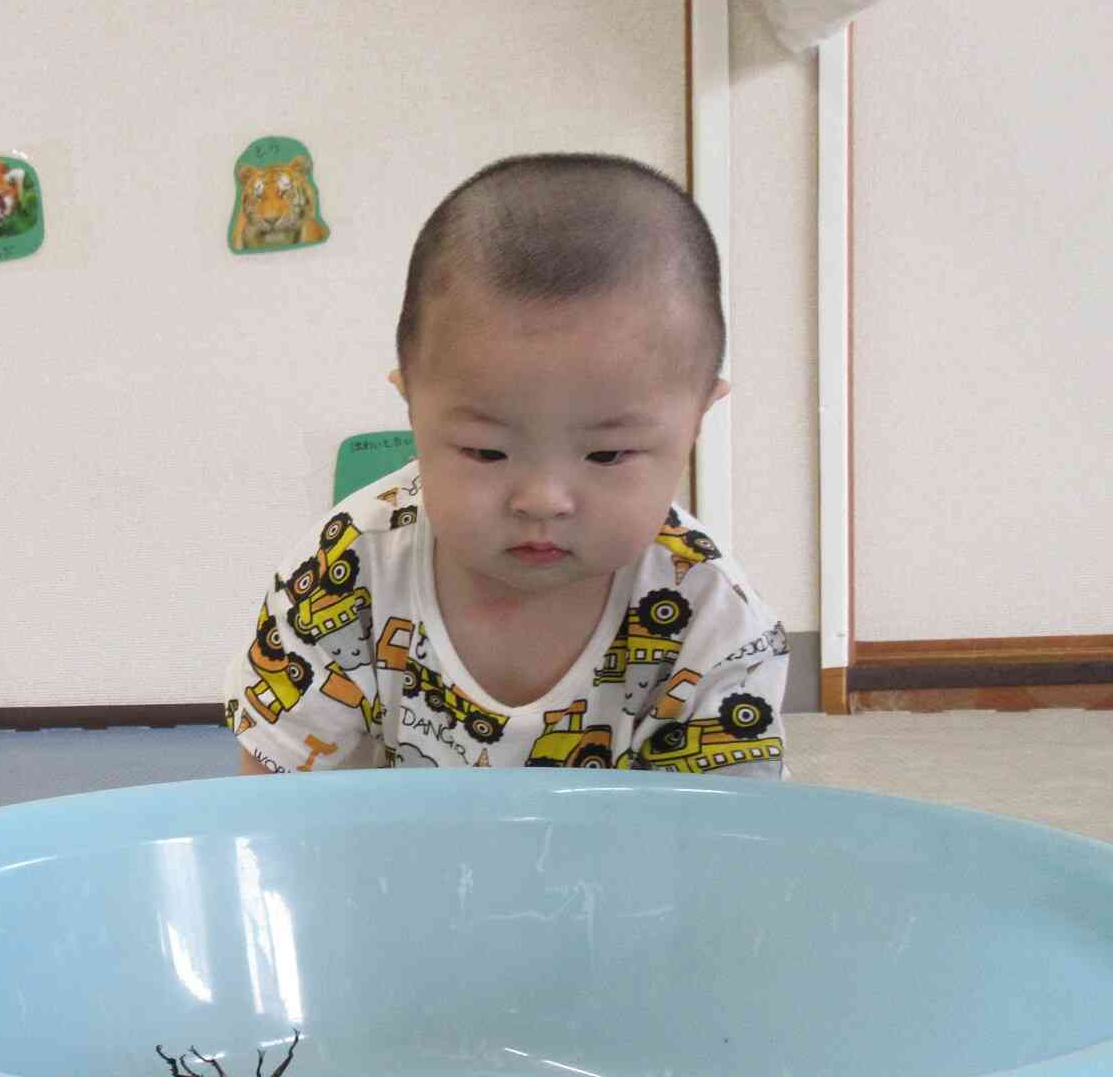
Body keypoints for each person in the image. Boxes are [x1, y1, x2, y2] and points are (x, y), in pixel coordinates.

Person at [227, 153, 788, 778]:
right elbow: (276, 810)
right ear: (411, 406)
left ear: (698, 419)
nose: (543, 499)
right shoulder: (343, 577)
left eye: (606, 454)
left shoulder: (714, 617)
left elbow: (723, 852)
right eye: (486, 451)